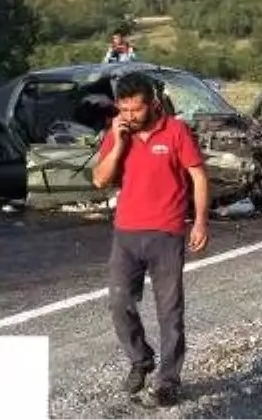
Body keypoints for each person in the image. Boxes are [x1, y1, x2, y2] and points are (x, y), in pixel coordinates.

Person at [91, 73, 210, 406]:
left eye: (136, 109)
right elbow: (100, 180)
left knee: (170, 312)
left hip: (167, 233)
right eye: (123, 109)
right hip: (126, 233)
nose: (129, 116)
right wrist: (118, 143)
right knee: (118, 302)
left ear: (152, 104)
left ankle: (169, 380)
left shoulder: (176, 131)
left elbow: (198, 176)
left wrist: (200, 221)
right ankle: (140, 359)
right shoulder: (117, 133)